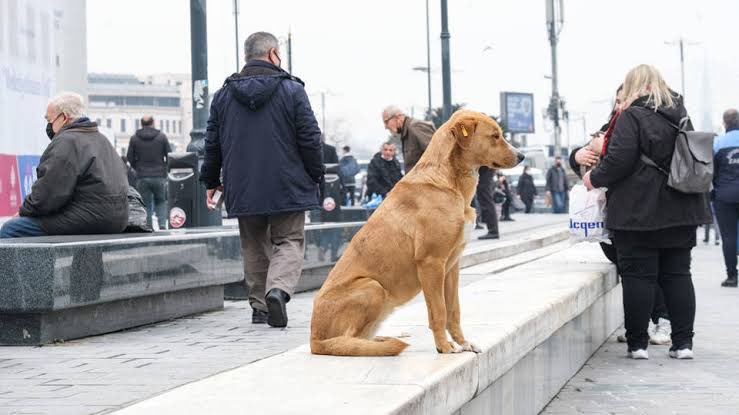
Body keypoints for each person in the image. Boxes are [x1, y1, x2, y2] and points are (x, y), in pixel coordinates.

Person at [583, 64, 711, 360]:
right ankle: (683, 345)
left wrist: (594, 178)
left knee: (638, 277)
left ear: (633, 87)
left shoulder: (631, 116)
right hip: (681, 209)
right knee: (678, 275)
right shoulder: (681, 115)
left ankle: (638, 345)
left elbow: (618, 160)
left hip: (636, 212)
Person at [200, 31, 323, 327]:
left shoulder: (224, 94)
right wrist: (315, 172)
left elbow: (212, 142)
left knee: (253, 244)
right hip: (287, 183)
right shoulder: (292, 90)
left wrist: (210, 180)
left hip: (243, 185)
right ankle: (277, 290)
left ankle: (259, 308)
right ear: (272, 54)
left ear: (247, 56)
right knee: (289, 239)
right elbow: (310, 137)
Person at [0, 92, 128, 238]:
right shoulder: (101, 139)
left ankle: (40, 262)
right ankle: (80, 263)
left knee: (12, 229)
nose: (48, 126)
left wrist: (22, 212)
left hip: (93, 218)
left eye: (49, 120)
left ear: (64, 117)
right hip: (117, 218)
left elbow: (47, 195)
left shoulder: (67, 141)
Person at [127, 115, 172, 230]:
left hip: (142, 176)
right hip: (159, 175)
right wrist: (164, 168)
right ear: (153, 123)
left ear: (141, 124)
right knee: (161, 200)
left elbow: (130, 157)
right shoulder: (161, 137)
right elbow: (169, 155)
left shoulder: (134, 138)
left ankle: (148, 226)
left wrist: (137, 168)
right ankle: (162, 224)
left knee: (145, 203)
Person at [712, 108, 739, 287]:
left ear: (725, 123)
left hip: (725, 196)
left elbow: (711, 172)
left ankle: (732, 276)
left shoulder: (718, 143)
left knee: (728, 237)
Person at [381, 105, 435, 173]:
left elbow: (437, 155)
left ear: (397, 117)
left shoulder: (415, 127)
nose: (385, 127)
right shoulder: (406, 133)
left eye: (386, 122)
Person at [476, 166, 499, 240]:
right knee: (486, 201)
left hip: (485, 170)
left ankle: (493, 231)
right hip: (486, 170)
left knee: (486, 201)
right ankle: (493, 230)